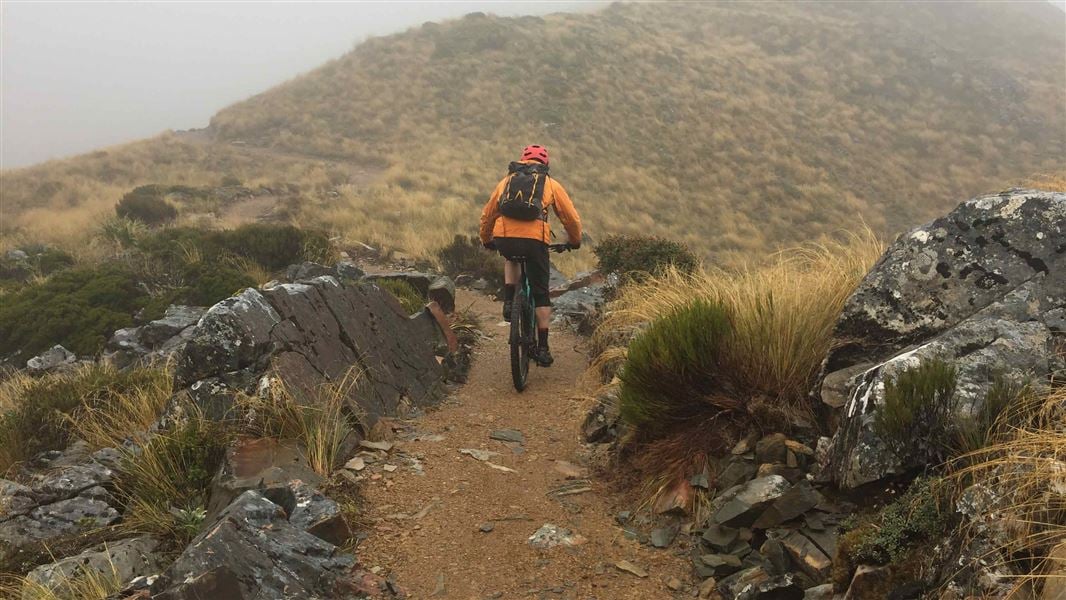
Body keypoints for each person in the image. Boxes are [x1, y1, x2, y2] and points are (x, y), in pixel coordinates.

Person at [479, 144, 582, 367]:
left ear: (522, 160)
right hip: (535, 242)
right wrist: (574, 241)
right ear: (545, 164)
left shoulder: (506, 182)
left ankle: (509, 302)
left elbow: (488, 214)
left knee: (510, 258)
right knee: (541, 294)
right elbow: (570, 218)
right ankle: (542, 348)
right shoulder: (550, 184)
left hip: (505, 237)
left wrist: (486, 239)